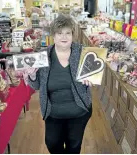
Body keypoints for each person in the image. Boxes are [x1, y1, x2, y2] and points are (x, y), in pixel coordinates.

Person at [27, 14, 93, 154]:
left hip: (79, 111)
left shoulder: (83, 52)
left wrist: (91, 79)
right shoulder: (43, 55)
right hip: (53, 112)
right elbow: (36, 85)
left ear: (72, 35)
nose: (64, 37)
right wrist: (32, 75)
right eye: (60, 33)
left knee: (74, 146)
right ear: (53, 35)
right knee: (51, 143)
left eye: (68, 33)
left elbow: (97, 73)